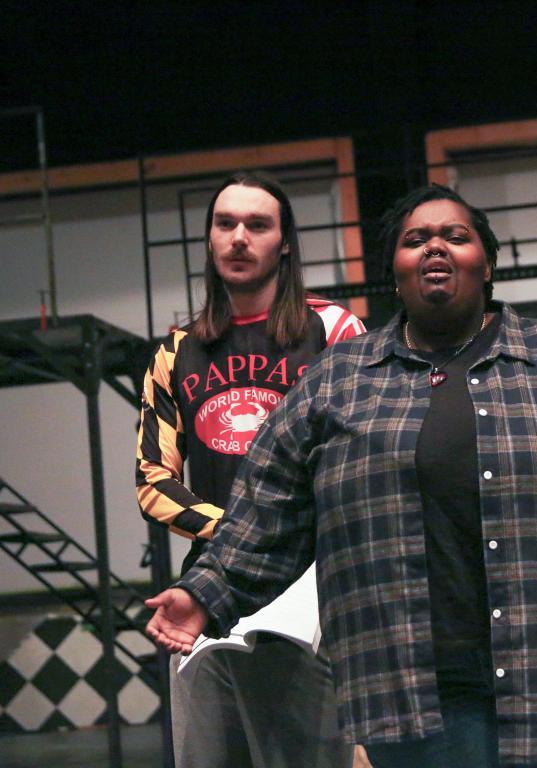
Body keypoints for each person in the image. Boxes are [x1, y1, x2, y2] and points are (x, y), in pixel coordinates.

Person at [144, 183, 537, 768]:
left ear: (486, 265)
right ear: (396, 271)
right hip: (414, 699)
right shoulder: (338, 382)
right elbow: (268, 513)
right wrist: (205, 595)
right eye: (415, 240)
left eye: (455, 236)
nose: (435, 247)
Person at [135, 170, 366, 768]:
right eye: (225, 224)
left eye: (257, 225)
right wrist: (239, 539)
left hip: (321, 596)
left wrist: (272, 539)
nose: (239, 237)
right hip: (209, 597)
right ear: (210, 240)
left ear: (284, 242)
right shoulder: (174, 352)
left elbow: (360, 469)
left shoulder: (335, 332)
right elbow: (153, 483)